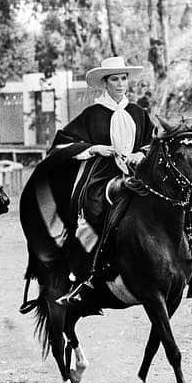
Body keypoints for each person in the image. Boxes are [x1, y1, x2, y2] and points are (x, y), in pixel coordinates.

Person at [43, 55, 156, 305]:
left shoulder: (138, 113)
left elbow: (152, 143)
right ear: (105, 83)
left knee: (169, 202)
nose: (120, 84)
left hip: (138, 174)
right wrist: (95, 148)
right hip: (102, 175)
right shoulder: (92, 114)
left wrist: (141, 153)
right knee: (93, 214)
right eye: (115, 79)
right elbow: (62, 144)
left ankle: (190, 265)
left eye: (123, 78)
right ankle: (87, 275)